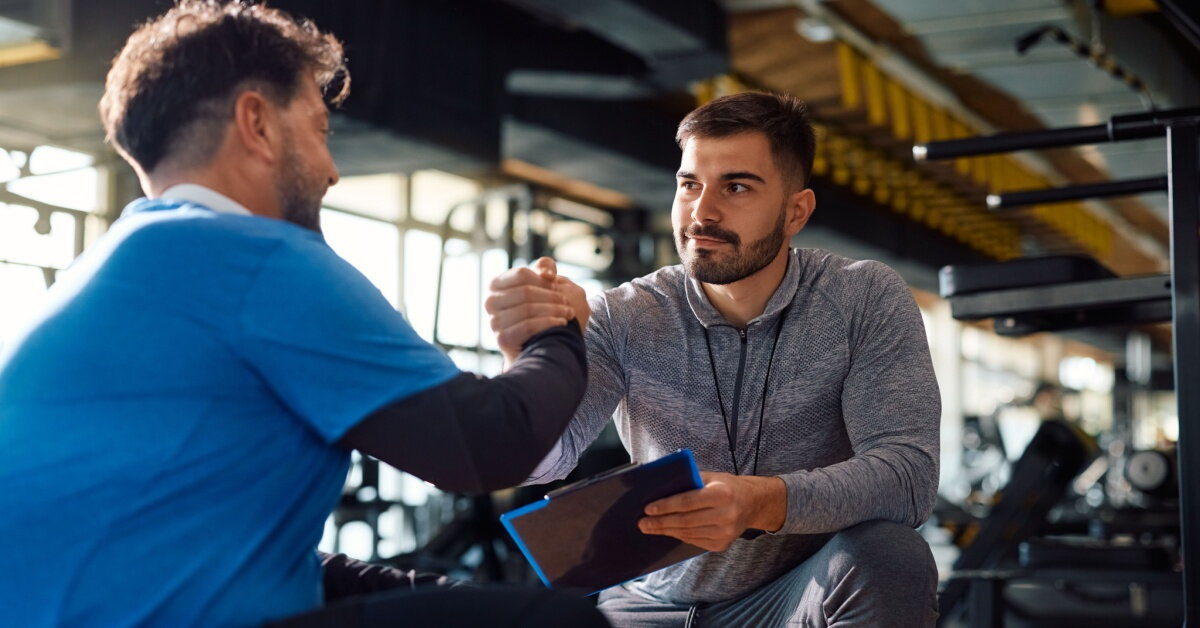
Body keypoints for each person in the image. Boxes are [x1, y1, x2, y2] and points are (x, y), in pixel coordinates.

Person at [0, 2, 604, 627]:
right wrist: (555, 330)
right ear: (257, 123)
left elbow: (229, 545)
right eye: (319, 131)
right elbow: (489, 445)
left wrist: (429, 591)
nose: (332, 171)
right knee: (560, 623)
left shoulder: (120, 271)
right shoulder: (249, 258)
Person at [486, 91, 941, 626]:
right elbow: (543, 462)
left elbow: (908, 478)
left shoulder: (861, 298)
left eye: (737, 186)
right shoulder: (625, 314)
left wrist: (760, 502)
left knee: (891, 555)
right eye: (690, 185)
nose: (702, 213)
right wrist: (534, 362)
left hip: (791, 599)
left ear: (796, 211)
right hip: (650, 603)